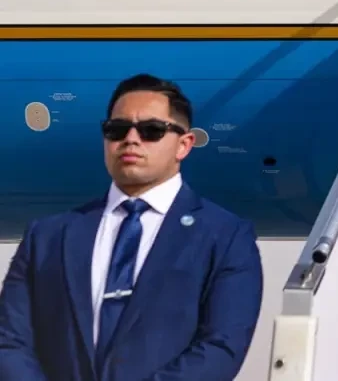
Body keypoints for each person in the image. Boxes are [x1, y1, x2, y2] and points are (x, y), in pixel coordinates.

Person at [0, 74, 263, 380]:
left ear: (184, 145)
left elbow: (221, 347)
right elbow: (9, 342)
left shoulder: (226, 237)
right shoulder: (46, 237)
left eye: (151, 130)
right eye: (117, 129)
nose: (131, 139)